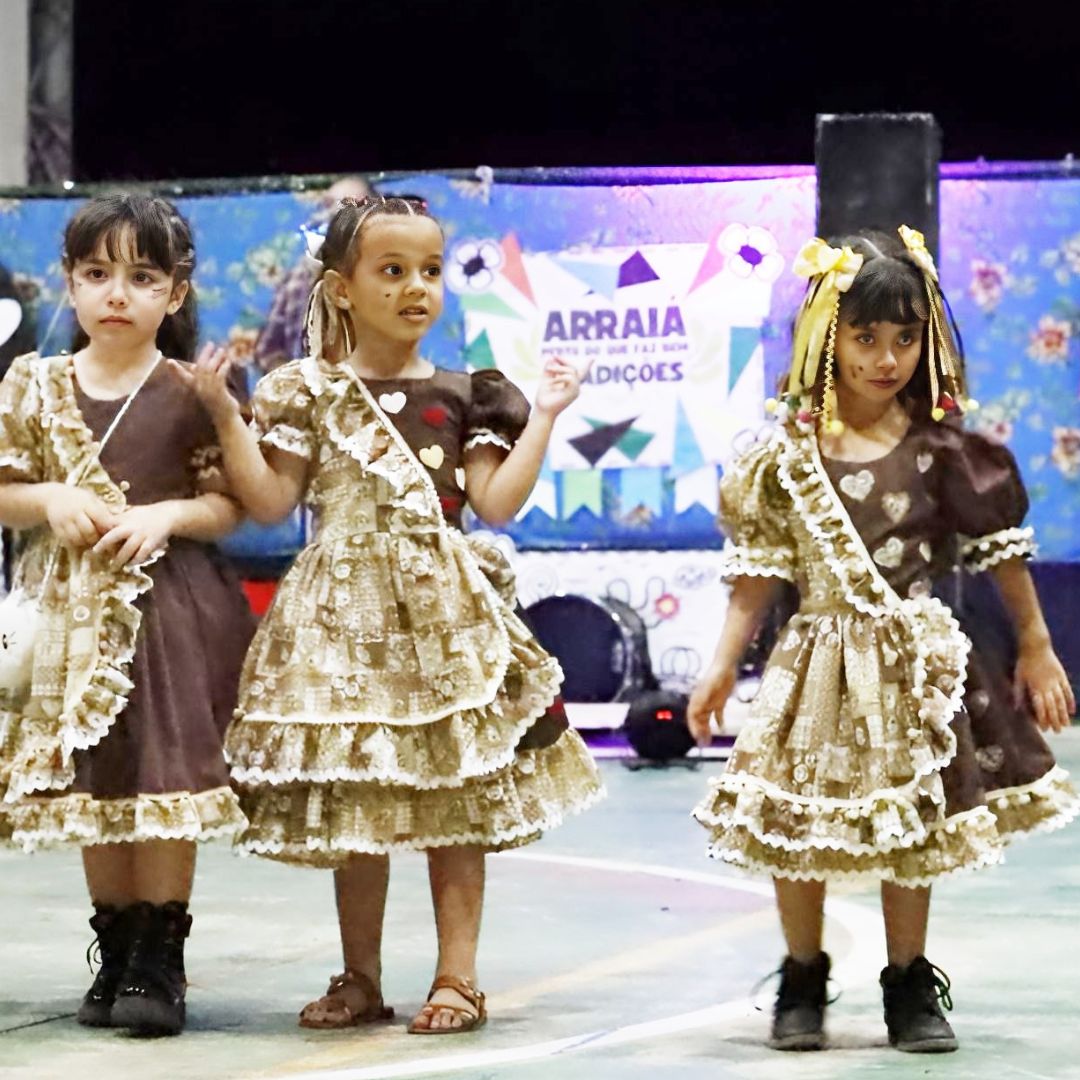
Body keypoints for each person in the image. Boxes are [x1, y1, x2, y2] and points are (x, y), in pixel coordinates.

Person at [177, 194, 604, 1034]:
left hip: (445, 619)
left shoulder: (466, 394)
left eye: (432, 271)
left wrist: (547, 416)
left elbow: (498, 504)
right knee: (361, 797)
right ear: (341, 288)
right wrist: (227, 413)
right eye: (393, 270)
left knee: (455, 793)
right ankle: (360, 976)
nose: (417, 288)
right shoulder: (306, 392)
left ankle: (459, 976)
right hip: (339, 614)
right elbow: (267, 500)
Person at [688, 227, 1078, 1054]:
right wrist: (720, 667)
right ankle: (802, 974)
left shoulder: (946, 452)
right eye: (865, 337)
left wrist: (1038, 646)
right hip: (815, 666)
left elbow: (1002, 560)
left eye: (906, 337)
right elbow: (757, 576)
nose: (886, 357)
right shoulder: (781, 460)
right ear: (827, 338)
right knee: (799, 824)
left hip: (917, 669)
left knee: (914, 826)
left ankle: (908, 983)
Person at [0, 194, 255, 1037]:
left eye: (142, 277)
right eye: (97, 274)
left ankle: (160, 954)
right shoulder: (31, 385)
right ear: (69, 286)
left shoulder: (193, 391)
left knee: (163, 773)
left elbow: (228, 506)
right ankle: (114, 947)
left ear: (174, 295)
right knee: (96, 777)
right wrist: (47, 496)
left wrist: (167, 516)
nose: (118, 293)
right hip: (68, 616)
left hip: (169, 614)